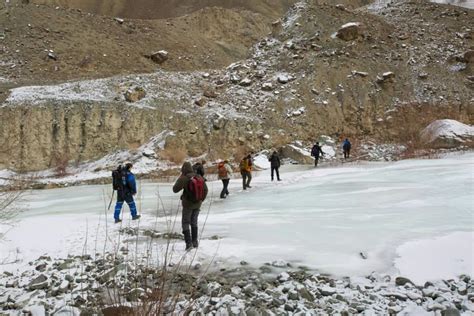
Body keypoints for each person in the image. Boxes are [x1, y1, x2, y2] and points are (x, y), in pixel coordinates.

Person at [173, 161, 208, 250]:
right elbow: (206, 190)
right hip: (198, 204)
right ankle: (195, 242)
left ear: (183, 170)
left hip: (188, 204)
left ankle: (188, 244)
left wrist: (180, 177)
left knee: (185, 222)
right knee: (194, 222)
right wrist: (200, 200)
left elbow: (175, 189)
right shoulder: (198, 176)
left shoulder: (185, 178)